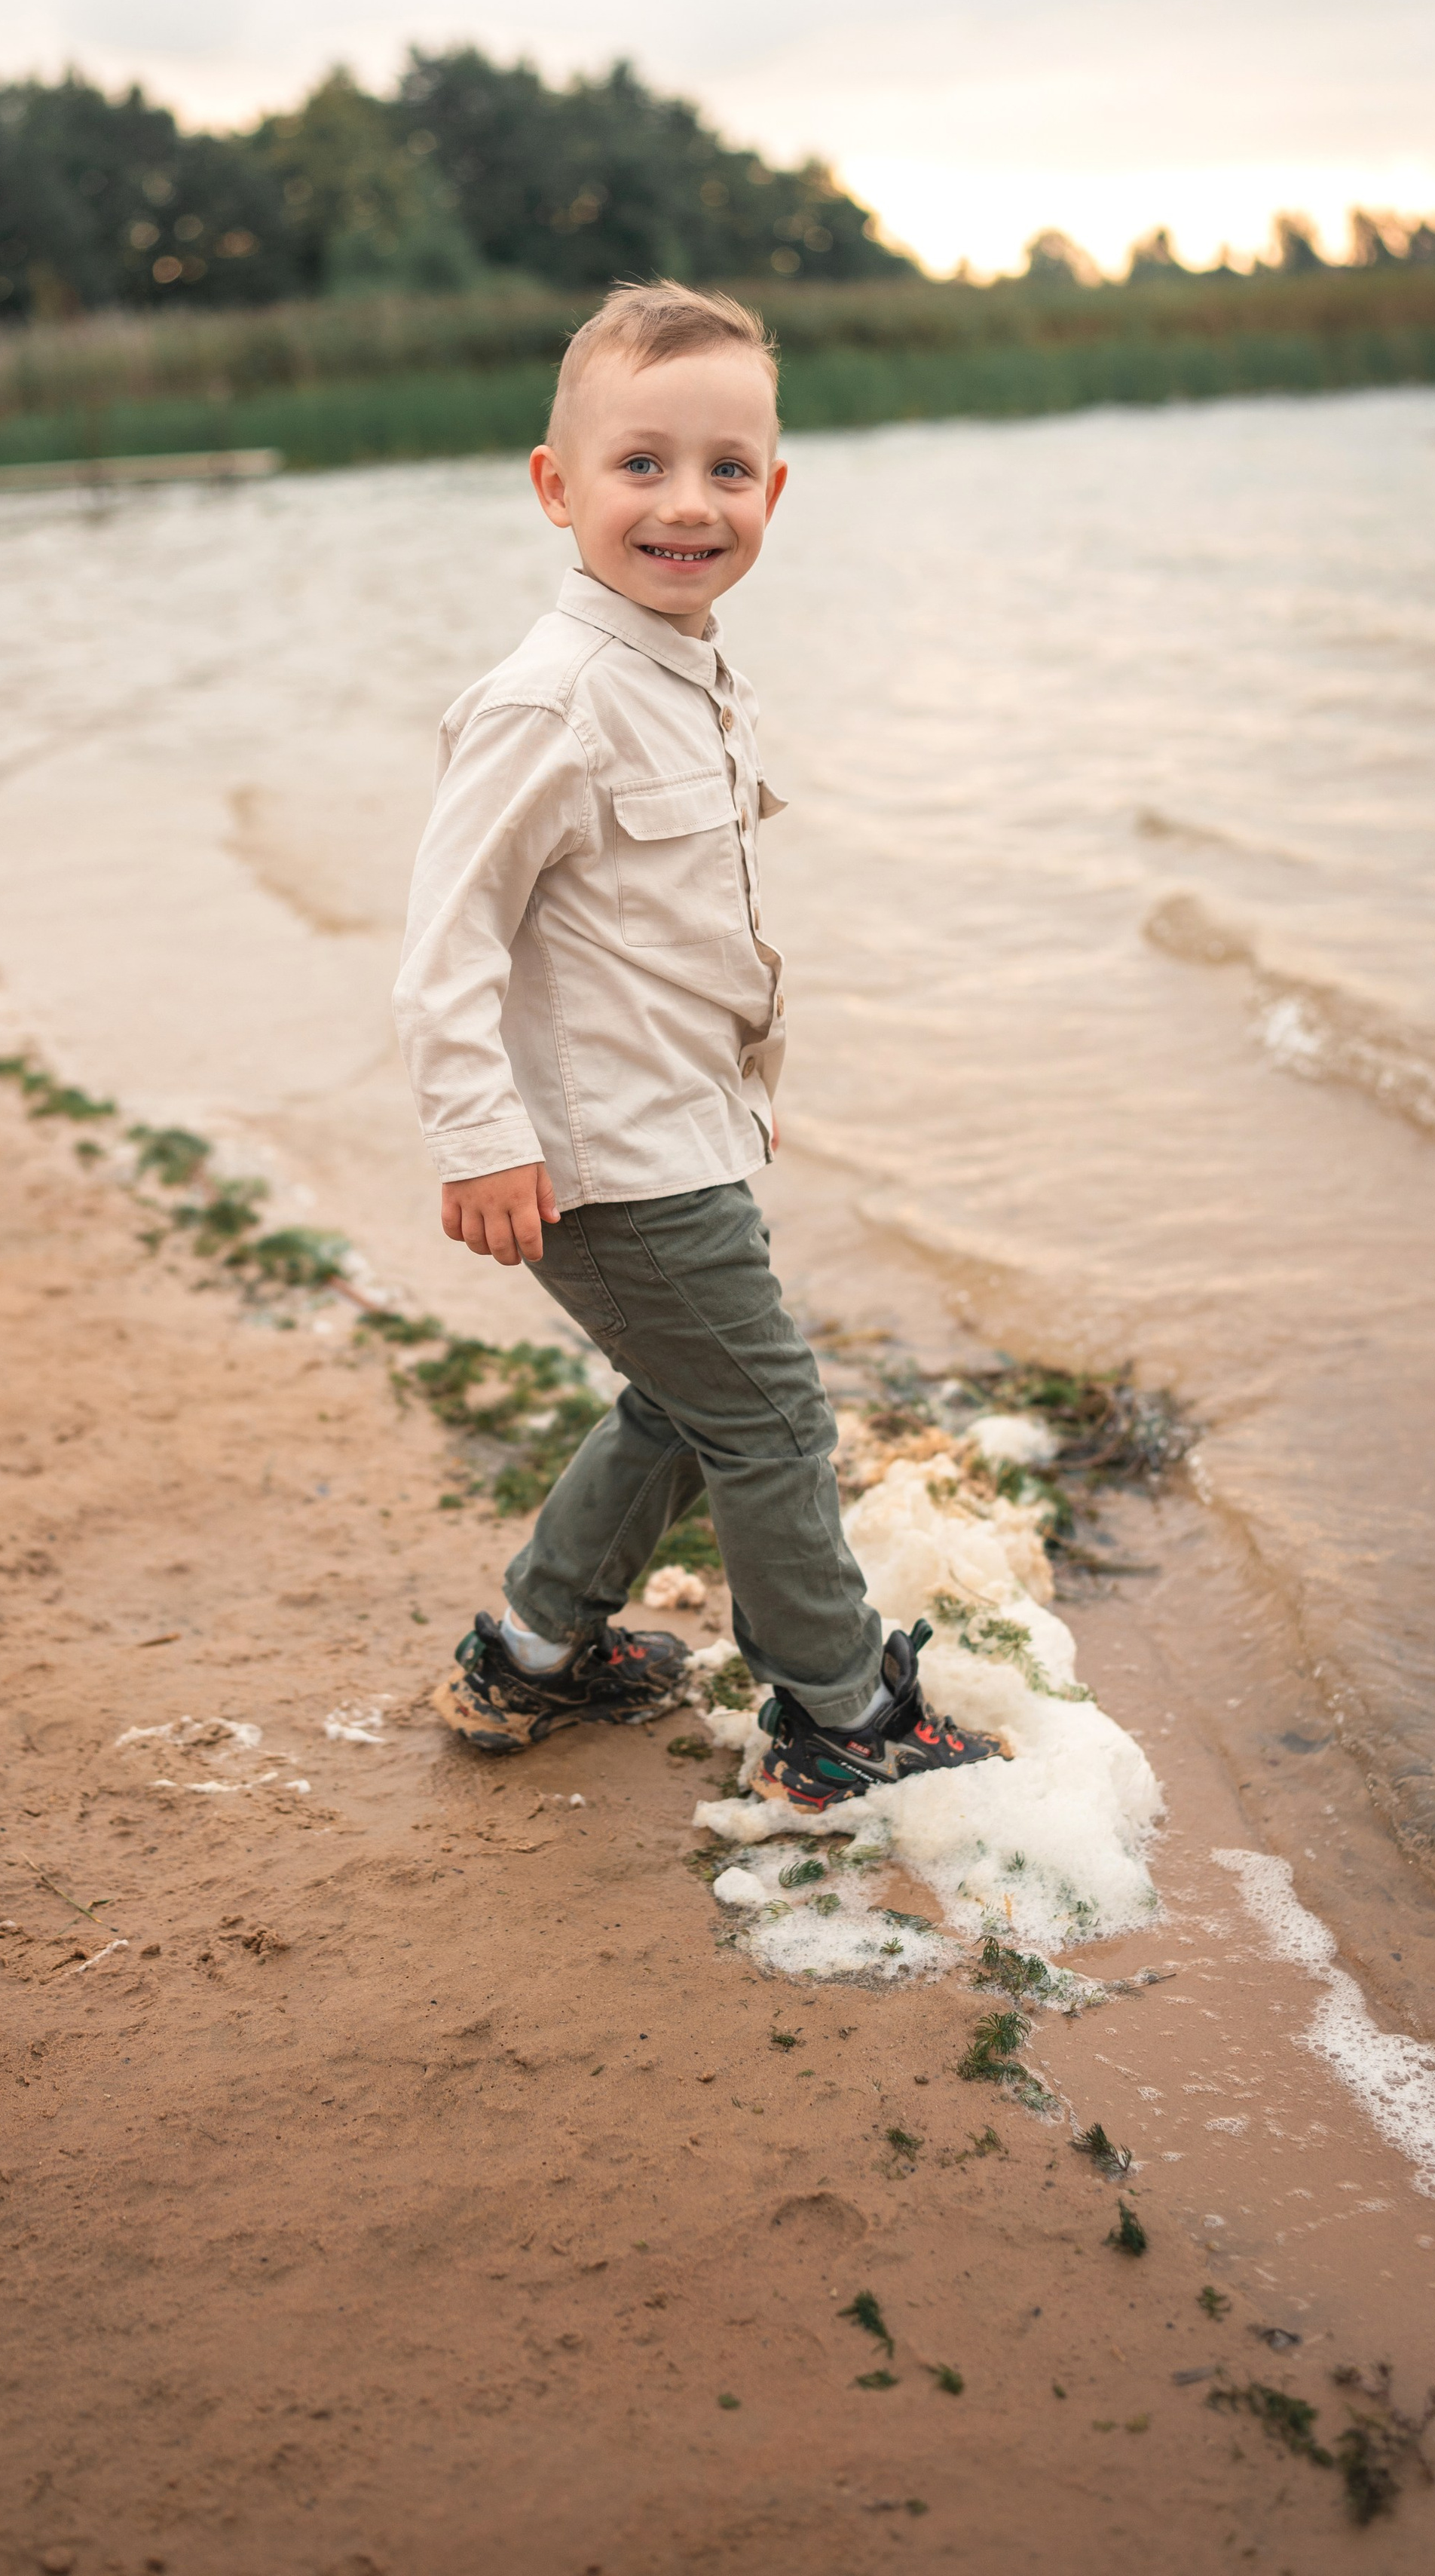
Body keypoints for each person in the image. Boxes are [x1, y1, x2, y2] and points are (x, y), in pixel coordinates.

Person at [392, 280, 1004, 1812]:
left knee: (688, 1402)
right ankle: (837, 1712)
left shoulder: (684, 672)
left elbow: (672, 943)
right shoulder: (550, 702)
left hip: (674, 1132)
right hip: (597, 1161)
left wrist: (738, 1099)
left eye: (727, 469)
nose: (687, 504)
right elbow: (446, 947)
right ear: (557, 487)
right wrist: (479, 1143)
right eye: (640, 465)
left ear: (772, 493)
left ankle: (534, 1652)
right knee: (773, 1418)